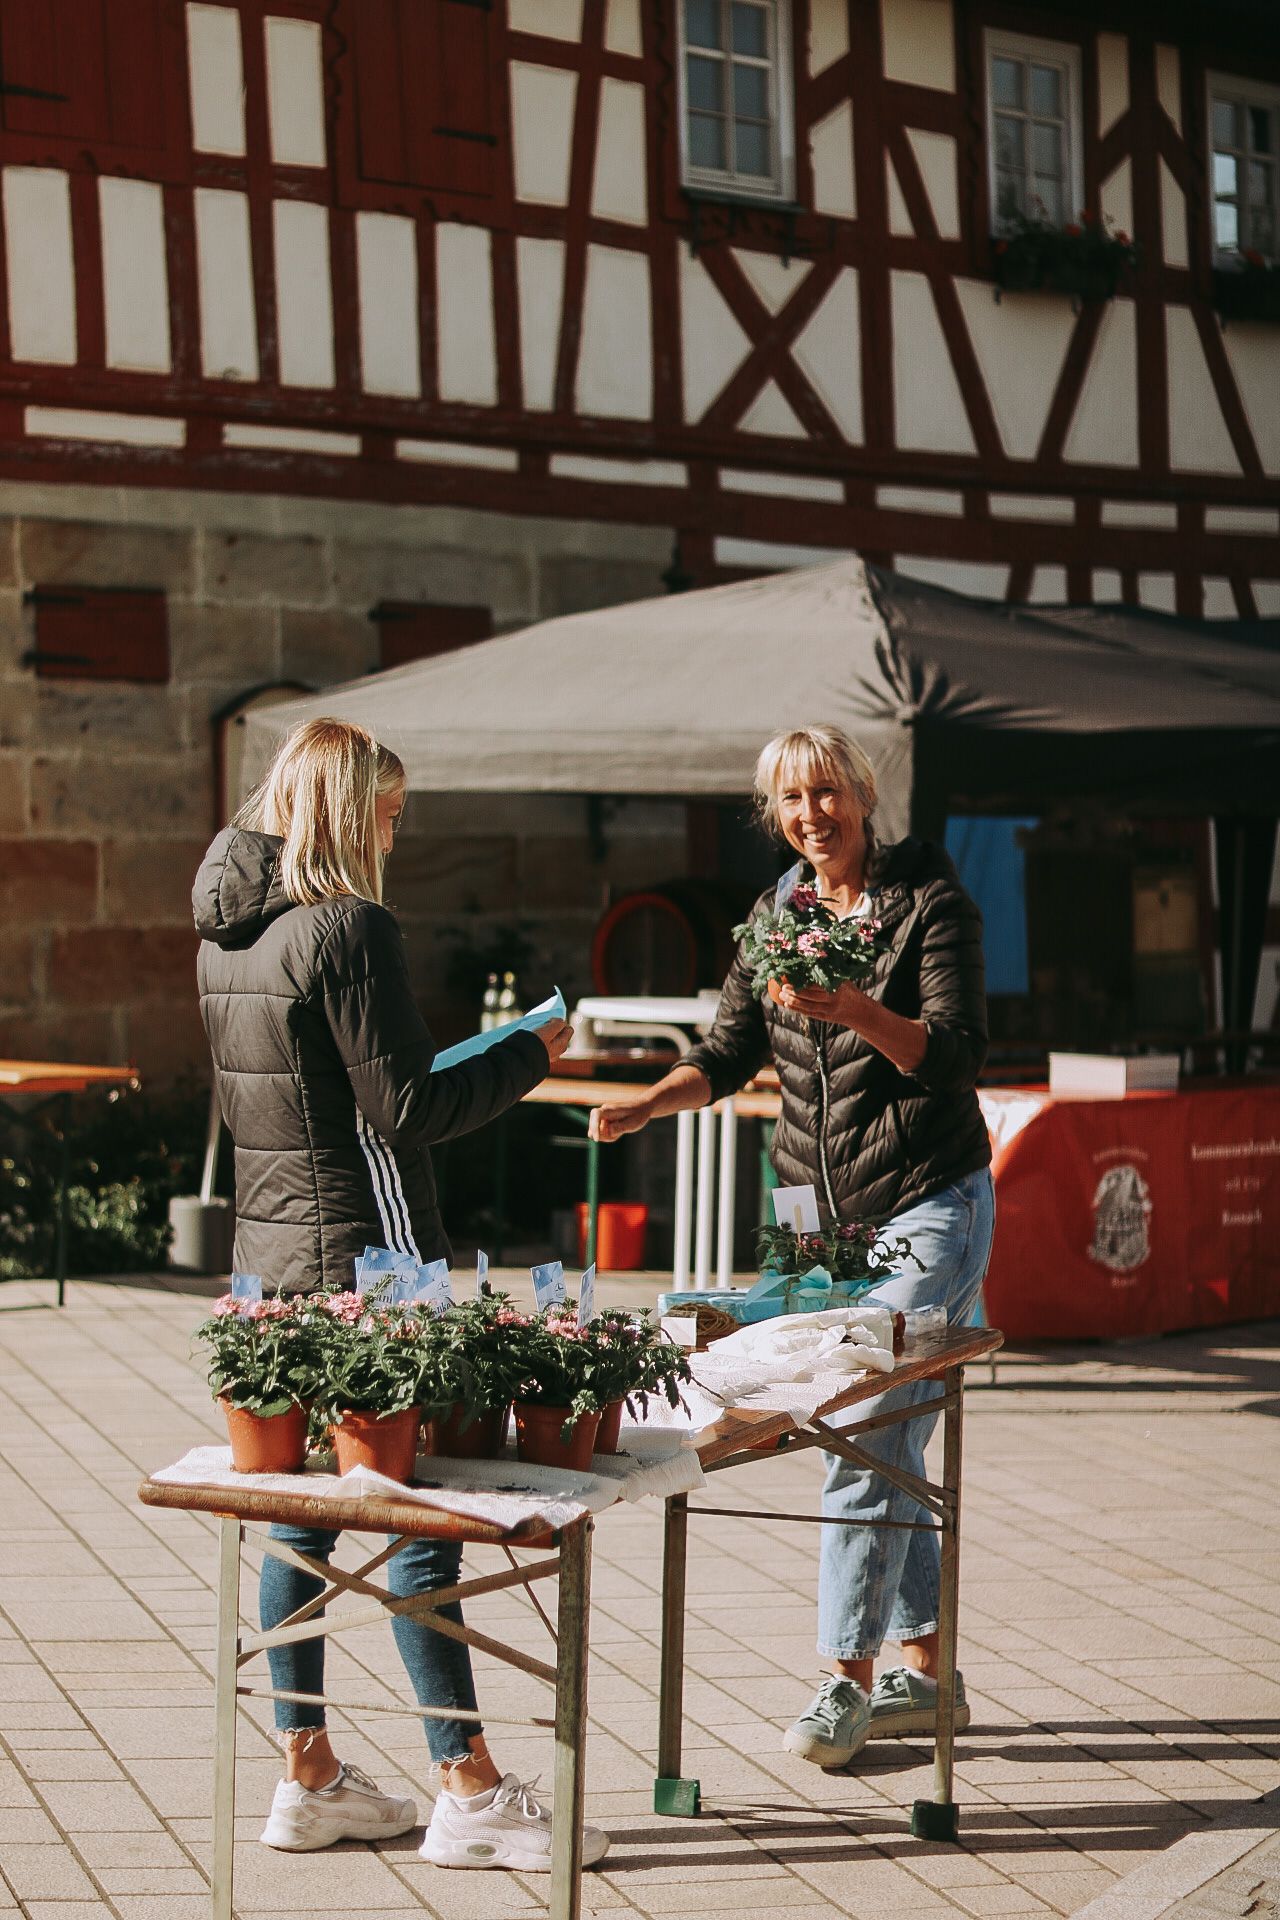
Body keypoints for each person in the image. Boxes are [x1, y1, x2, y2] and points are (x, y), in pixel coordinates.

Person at [193, 717, 608, 1868]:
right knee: (412, 1521)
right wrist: (527, 1055)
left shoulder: (225, 937)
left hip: (271, 1261)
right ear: (342, 812)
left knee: (295, 1519)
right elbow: (409, 1108)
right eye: (385, 814)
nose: (393, 836)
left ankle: (308, 1774)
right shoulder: (347, 927)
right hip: (373, 1260)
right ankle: (466, 1787)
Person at [589, 724, 994, 1770]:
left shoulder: (929, 905)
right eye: (790, 800)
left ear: (863, 796)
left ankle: (843, 1681)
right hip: (816, 1221)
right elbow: (726, 1052)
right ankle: (926, 1674)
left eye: (826, 793)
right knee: (888, 1433)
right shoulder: (774, 915)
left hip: (927, 1202)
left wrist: (854, 1008)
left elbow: (954, 1057)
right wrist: (649, 1103)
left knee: (860, 1414)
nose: (811, 815)